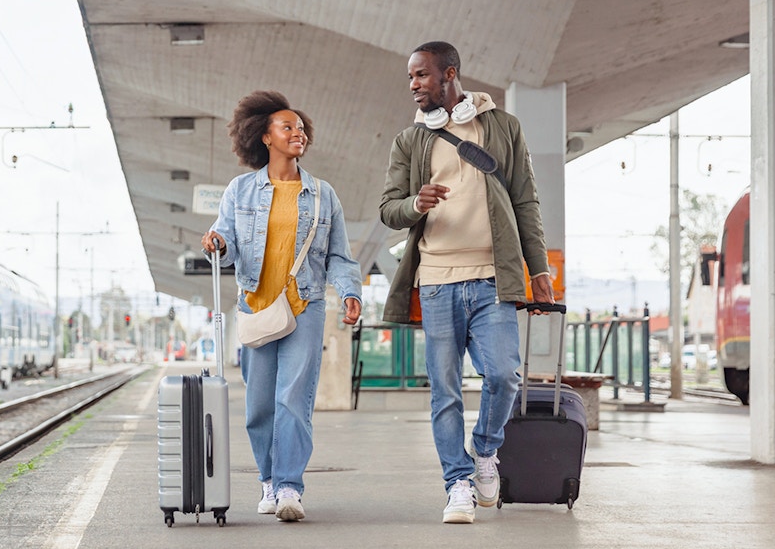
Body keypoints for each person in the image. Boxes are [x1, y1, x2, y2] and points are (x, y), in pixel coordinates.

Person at [380, 41, 555, 524]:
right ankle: (456, 482)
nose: (413, 85)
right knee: (445, 390)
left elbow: (526, 203)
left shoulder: (501, 127)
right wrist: (416, 203)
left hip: (491, 279)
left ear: (449, 74)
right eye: (410, 78)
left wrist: (538, 272)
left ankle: (484, 451)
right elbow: (388, 208)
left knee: (503, 375)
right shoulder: (409, 141)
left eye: (420, 76)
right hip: (436, 281)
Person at [202, 90, 363, 523]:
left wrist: (350, 293)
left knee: (293, 398)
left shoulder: (322, 194)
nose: (299, 133)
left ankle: (290, 486)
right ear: (265, 137)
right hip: (256, 306)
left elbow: (340, 256)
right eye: (287, 127)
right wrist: (216, 243)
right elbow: (227, 243)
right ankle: (269, 480)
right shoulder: (240, 190)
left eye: (301, 127)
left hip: (304, 306)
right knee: (259, 405)